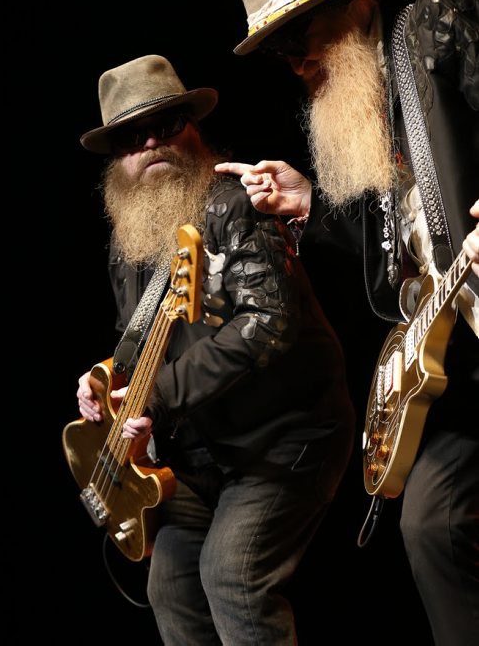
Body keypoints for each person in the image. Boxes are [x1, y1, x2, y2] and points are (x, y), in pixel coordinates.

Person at [215, 0, 479, 646]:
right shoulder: (358, 121)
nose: (297, 61)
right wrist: (309, 204)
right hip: (455, 364)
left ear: (362, 3)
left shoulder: (436, 26)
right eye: (280, 50)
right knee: (432, 525)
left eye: (304, 32)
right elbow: (392, 253)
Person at [74, 53, 355, 645]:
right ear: (117, 160)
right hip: (204, 456)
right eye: (132, 136)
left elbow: (269, 321)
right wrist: (106, 382)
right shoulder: (126, 242)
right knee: (169, 584)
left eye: (167, 124)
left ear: (193, 129)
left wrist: (158, 393)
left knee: (233, 577)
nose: (152, 142)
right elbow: (138, 343)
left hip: (288, 436)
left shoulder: (233, 207)